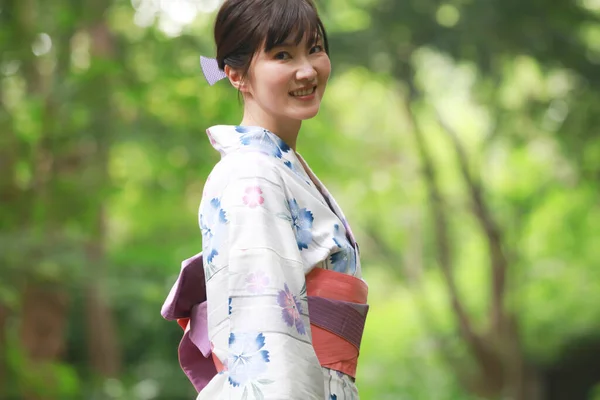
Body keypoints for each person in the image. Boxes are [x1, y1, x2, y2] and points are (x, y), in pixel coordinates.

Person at [161, 0, 369, 399]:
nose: (307, 69)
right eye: (282, 55)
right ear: (237, 75)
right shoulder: (251, 174)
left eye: (315, 48)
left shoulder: (275, 167)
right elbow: (267, 334)